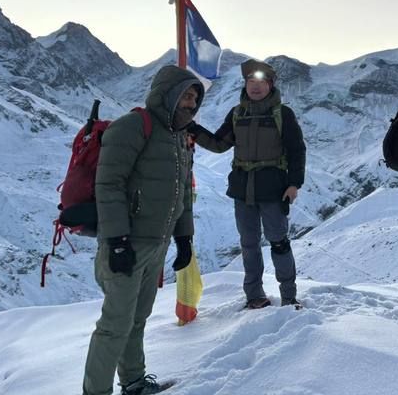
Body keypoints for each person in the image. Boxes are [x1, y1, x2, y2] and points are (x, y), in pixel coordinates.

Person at [83, 65, 204, 395]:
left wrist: (183, 239)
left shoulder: (181, 138)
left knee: (137, 318)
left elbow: (183, 193)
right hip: (126, 243)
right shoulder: (134, 125)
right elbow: (109, 185)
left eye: (194, 98)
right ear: (166, 94)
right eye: (185, 96)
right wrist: (118, 241)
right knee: (115, 324)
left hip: (158, 244)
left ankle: (134, 382)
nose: (190, 104)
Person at [189, 60, 306, 310]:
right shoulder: (237, 113)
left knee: (279, 242)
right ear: (245, 84)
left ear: (270, 85)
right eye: (250, 82)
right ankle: (254, 295)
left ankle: (289, 294)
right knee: (249, 245)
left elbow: (297, 150)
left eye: (260, 82)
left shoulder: (282, 114)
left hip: (273, 188)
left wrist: (294, 184)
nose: (255, 87)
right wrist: (192, 129)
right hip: (243, 189)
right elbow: (219, 144)